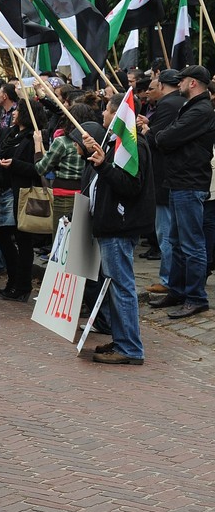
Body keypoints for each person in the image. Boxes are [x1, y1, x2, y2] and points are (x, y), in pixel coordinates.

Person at [77, 114, 154, 365]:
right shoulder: (117, 143)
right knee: (116, 285)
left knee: (122, 286)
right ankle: (122, 340)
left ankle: (130, 348)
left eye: (108, 111)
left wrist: (103, 165)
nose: (103, 116)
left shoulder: (133, 145)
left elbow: (130, 186)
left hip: (119, 227)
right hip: (111, 226)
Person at [146, 65, 215, 319]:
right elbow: (165, 136)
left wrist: (161, 135)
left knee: (192, 244)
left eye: (183, 80)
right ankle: (177, 290)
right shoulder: (190, 106)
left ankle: (196, 297)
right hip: (178, 181)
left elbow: (165, 138)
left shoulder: (201, 110)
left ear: (194, 83)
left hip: (189, 183)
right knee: (175, 242)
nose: (179, 83)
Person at [0, 98, 49, 302]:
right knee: (1, 235)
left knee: (23, 240)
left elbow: (40, 168)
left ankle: (22, 285)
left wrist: (14, 164)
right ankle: (14, 280)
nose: (13, 113)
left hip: (23, 193)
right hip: (4, 191)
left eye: (18, 110)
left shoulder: (36, 137)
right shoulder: (12, 134)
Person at [139, 70, 185, 295]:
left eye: (153, 87)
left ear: (163, 86)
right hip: (173, 176)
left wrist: (147, 130)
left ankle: (168, 279)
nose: (149, 91)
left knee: (166, 232)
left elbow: (157, 138)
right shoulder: (180, 103)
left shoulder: (169, 104)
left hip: (164, 177)